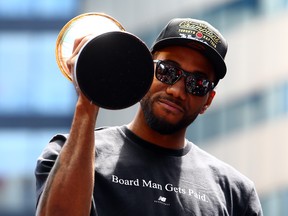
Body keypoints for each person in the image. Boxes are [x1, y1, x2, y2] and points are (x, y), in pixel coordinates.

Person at [35, 17, 263, 216]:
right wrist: (89, 99)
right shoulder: (67, 153)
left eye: (197, 83)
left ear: (208, 100)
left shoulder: (235, 192)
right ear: (146, 70)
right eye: (167, 70)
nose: (176, 90)